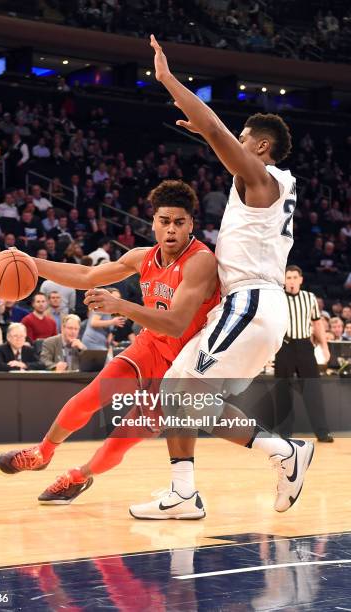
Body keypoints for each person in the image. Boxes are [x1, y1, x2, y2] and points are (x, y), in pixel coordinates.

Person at [122, 35, 313, 518]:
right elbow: (215, 133)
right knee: (180, 395)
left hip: (250, 304)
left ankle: (284, 451)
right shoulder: (267, 186)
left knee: (182, 393)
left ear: (261, 146)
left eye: (244, 138)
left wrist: (167, 79)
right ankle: (184, 494)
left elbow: (212, 126)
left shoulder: (263, 178)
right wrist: (209, 131)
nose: (238, 142)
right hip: (250, 310)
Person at [0, 180, 219, 516]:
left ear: (191, 224)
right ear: (153, 222)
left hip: (183, 365)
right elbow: (87, 275)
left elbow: (175, 323)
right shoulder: (142, 256)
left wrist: (121, 305)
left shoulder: (200, 261)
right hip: (151, 346)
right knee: (90, 396)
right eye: (164, 221)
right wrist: (32, 264)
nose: (171, 230)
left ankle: (77, 477)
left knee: (121, 437)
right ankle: (43, 453)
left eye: (179, 222)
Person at [274, 265, 333, 443]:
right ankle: (284, 433)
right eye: (288, 277)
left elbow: (317, 324)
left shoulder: (310, 298)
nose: (291, 281)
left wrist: (325, 346)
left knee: (313, 389)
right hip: (284, 346)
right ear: (284, 280)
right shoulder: (278, 297)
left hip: (304, 345)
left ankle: (322, 432)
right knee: (283, 391)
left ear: (301, 279)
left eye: (294, 277)